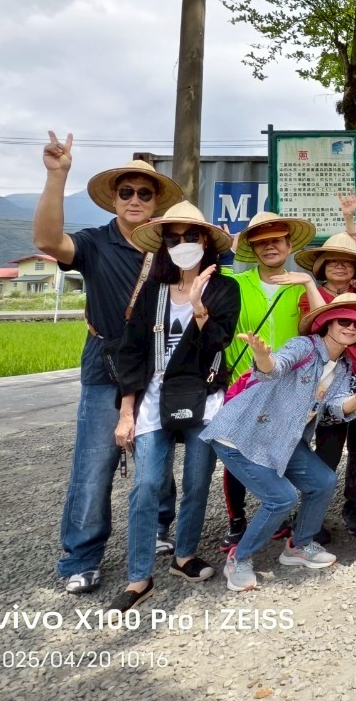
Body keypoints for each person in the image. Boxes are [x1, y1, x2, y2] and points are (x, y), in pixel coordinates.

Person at [33, 139, 183, 595]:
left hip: (158, 365)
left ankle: (158, 526)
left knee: (155, 455)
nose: (135, 199)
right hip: (105, 363)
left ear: (157, 201)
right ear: (114, 198)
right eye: (127, 192)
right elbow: (45, 240)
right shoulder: (95, 243)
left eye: (144, 193)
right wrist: (57, 174)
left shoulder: (171, 246)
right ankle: (82, 556)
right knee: (96, 461)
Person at [201, 294, 356, 591]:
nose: (351, 327)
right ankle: (239, 558)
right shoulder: (304, 346)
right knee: (281, 497)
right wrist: (263, 356)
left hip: (285, 439)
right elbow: (275, 367)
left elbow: (333, 409)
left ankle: (300, 545)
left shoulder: (343, 366)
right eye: (344, 320)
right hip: (241, 435)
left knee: (323, 480)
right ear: (327, 323)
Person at [110, 203, 240, 611]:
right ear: (165, 245)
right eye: (174, 237)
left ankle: (184, 555)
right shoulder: (152, 291)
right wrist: (126, 411)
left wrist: (199, 304)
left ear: (206, 241)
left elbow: (218, 342)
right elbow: (131, 352)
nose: (183, 243)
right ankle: (138, 576)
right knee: (147, 484)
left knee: (198, 482)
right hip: (152, 399)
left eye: (192, 236)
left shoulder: (225, 288)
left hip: (204, 397)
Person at [219, 211, 316, 552]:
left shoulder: (300, 285)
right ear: (253, 250)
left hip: (291, 389)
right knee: (238, 454)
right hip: (245, 386)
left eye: (276, 240)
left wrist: (308, 284)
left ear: (289, 245)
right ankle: (236, 519)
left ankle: (281, 515)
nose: (270, 247)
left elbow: (318, 326)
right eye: (261, 243)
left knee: (284, 451)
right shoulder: (237, 284)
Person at [285, 232, 356, 537]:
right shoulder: (310, 296)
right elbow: (318, 323)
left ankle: (354, 506)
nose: (341, 267)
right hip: (329, 383)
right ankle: (309, 517)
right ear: (321, 266)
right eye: (334, 262)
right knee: (328, 448)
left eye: (348, 263)